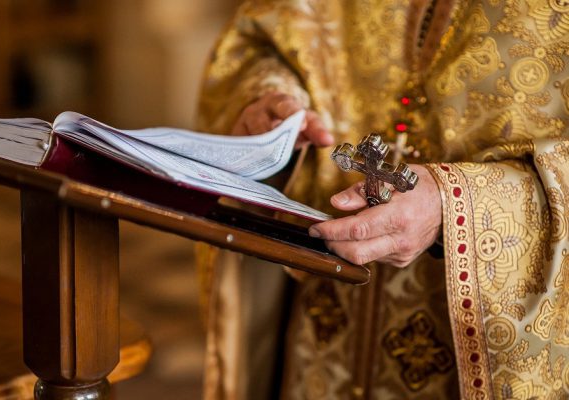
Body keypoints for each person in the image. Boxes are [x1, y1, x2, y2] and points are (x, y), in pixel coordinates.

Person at [196, 0, 569, 398]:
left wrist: (459, 203)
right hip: (323, 319)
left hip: (464, 332)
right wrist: (270, 100)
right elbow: (263, 38)